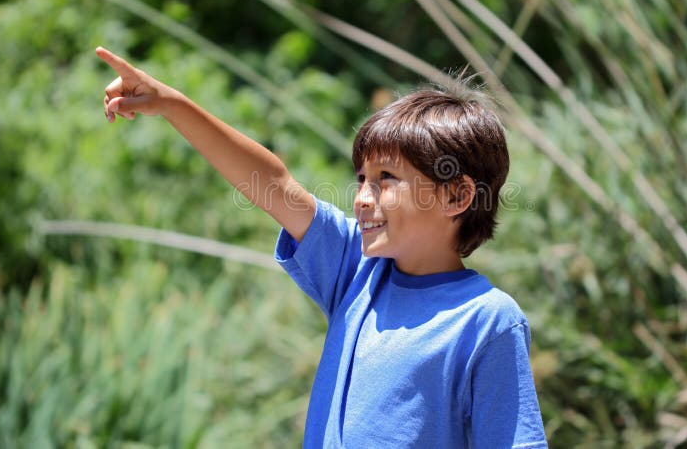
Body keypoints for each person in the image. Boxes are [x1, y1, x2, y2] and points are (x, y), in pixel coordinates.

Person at [97, 46, 547, 448]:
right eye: (361, 180)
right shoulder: (356, 269)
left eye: (386, 179)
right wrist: (171, 105)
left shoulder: (489, 321)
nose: (363, 198)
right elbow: (273, 184)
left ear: (456, 197)